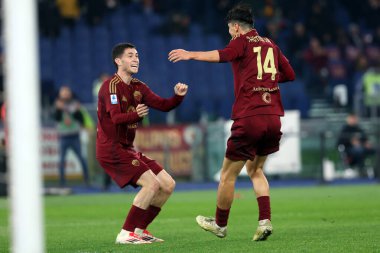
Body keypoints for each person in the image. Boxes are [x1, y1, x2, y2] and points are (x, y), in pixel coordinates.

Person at [169, 4, 295, 241]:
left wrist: (190, 54)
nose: (230, 33)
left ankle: (220, 225)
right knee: (255, 169)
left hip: (249, 117)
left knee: (227, 175)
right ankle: (264, 221)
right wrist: (265, 79)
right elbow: (290, 75)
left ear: (236, 27)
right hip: (273, 118)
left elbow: (222, 55)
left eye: (229, 28)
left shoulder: (241, 41)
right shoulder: (271, 44)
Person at [96, 43, 188, 244]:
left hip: (127, 148)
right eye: (130, 56)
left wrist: (178, 97)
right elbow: (115, 118)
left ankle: (139, 229)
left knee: (167, 184)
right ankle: (126, 233)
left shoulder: (138, 86)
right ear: (118, 61)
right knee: (151, 184)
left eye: (137, 55)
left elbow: (164, 105)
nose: (136, 59)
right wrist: (135, 114)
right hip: (111, 148)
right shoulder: (110, 86)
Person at [54, 86, 90, 187]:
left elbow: (81, 119)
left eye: (66, 92)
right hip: (63, 136)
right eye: (63, 92)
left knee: (82, 158)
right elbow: (56, 118)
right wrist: (59, 110)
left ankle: (87, 180)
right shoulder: (58, 104)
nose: (65, 94)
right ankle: (62, 182)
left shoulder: (75, 103)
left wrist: (75, 111)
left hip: (74, 136)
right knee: (61, 160)